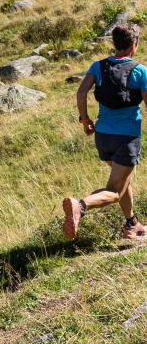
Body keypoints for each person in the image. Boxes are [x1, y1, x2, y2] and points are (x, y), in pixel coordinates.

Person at [63, 22, 147, 241]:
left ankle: (133, 225)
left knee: (123, 180)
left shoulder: (98, 66)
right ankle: (80, 205)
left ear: (115, 43)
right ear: (134, 46)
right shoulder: (139, 71)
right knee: (115, 190)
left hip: (103, 138)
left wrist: (85, 120)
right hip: (126, 138)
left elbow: (81, 93)